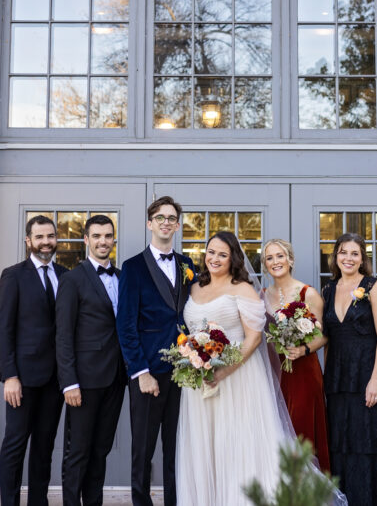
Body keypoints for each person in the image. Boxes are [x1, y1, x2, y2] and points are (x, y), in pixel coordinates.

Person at [175, 231, 288, 506]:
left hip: (238, 378)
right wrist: (193, 359)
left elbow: (254, 338)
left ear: (233, 258)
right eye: (211, 252)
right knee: (205, 446)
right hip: (199, 379)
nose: (214, 258)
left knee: (236, 444)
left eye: (222, 254)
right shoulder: (194, 286)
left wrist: (223, 371)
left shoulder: (243, 289)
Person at [116, 196, 194, 506]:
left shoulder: (188, 265)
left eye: (171, 217)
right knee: (143, 449)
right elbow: (126, 325)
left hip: (184, 374)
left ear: (177, 225)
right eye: (159, 217)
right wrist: (141, 373)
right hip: (148, 373)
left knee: (177, 449)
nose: (165, 222)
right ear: (150, 223)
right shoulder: (133, 267)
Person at [321, 232, 377, 506]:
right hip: (339, 380)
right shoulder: (328, 289)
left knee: (370, 446)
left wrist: (375, 380)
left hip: (368, 376)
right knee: (342, 446)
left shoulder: (373, 286)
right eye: (343, 252)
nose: (348, 258)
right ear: (336, 256)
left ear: (362, 259)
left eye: (354, 253)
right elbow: (327, 338)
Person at [0, 215, 68, 506]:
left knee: (44, 447)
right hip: (22, 379)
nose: (46, 242)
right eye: (39, 237)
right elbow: (4, 328)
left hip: (55, 379)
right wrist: (10, 375)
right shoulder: (13, 275)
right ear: (29, 241)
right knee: (15, 445)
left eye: (50, 236)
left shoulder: (65, 275)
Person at [56, 215, 127, 506]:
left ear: (113, 239)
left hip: (116, 378)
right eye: (96, 236)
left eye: (108, 236)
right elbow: (63, 335)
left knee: (101, 450)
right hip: (83, 382)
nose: (103, 241)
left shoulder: (123, 277)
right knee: (78, 452)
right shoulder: (72, 279)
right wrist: (69, 382)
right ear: (86, 240)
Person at [261, 238, 330, 472]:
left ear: (290, 259)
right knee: (276, 431)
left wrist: (302, 349)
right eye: (269, 258)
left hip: (303, 372)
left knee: (301, 430)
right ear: (264, 265)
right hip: (274, 372)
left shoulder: (307, 293)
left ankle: (308, 490)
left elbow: (323, 335)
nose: (275, 262)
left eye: (280, 256)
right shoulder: (261, 295)